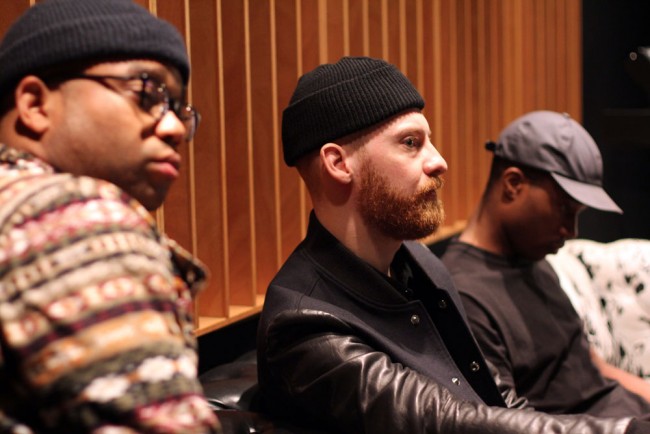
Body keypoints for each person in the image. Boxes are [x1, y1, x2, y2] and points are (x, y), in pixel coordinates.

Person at [256, 57, 650, 433]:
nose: (439, 161)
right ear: (339, 164)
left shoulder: (420, 263)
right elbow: (445, 422)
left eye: (429, 141)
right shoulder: (301, 323)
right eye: (410, 142)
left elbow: (497, 401)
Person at [0, 0, 221, 432]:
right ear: (35, 104)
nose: (174, 128)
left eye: (178, 109)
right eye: (147, 93)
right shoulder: (70, 215)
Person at [441, 110, 650, 420]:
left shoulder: (535, 260)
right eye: (564, 209)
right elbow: (508, 424)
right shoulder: (463, 296)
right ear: (513, 184)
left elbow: (597, 368)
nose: (572, 230)